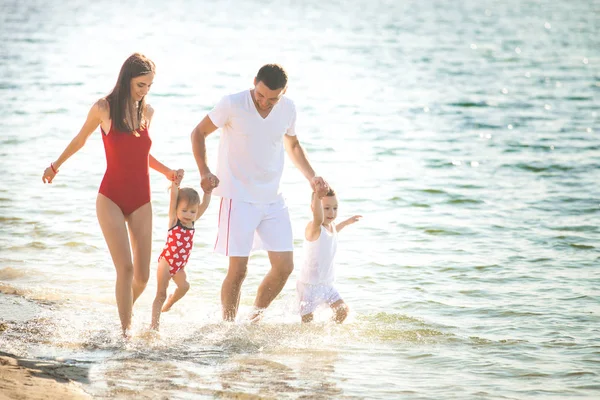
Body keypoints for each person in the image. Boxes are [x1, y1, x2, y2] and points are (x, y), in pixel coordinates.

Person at [42, 53, 182, 336]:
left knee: (142, 278)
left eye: (149, 86)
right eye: (141, 84)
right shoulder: (103, 108)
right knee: (126, 270)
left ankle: (120, 315)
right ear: (127, 79)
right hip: (111, 199)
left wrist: (167, 171)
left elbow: (140, 153)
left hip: (142, 199)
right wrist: (56, 165)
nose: (144, 91)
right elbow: (80, 139)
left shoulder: (147, 113)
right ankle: (125, 334)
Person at [190, 63, 329, 322]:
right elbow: (198, 133)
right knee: (238, 271)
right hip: (237, 196)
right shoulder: (231, 104)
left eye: (272, 98)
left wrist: (312, 177)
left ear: (284, 92)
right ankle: (228, 327)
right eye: (260, 95)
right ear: (254, 82)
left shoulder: (288, 108)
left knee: (284, 267)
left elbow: (293, 144)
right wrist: (204, 171)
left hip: (273, 198)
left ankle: (253, 321)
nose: (265, 102)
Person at [151, 177, 211, 330]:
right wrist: (175, 184)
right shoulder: (173, 221)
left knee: (184, 287)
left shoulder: (192, 222)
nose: (188, 214)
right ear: (177, 209)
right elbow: (172, 200)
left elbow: (204, 206)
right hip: (166, 262)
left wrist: (208, 192)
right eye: (184, 210)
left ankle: (170, 303)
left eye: (192, 211)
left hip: (179, 267)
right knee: (160, 294)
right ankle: (154, 326)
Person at [296, 188, 362, 323]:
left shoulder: (331, 227)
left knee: (343, 311)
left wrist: (346, 223)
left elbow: (332, 234)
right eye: (326, 208)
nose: (331, 212)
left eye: (335, 208)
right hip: (309, 286)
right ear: (314, 208)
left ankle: (327, 333)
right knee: (308, 323)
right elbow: (318, 219)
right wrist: (317, 197)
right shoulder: (314, 227)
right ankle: (306, 342)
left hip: (326, 284)